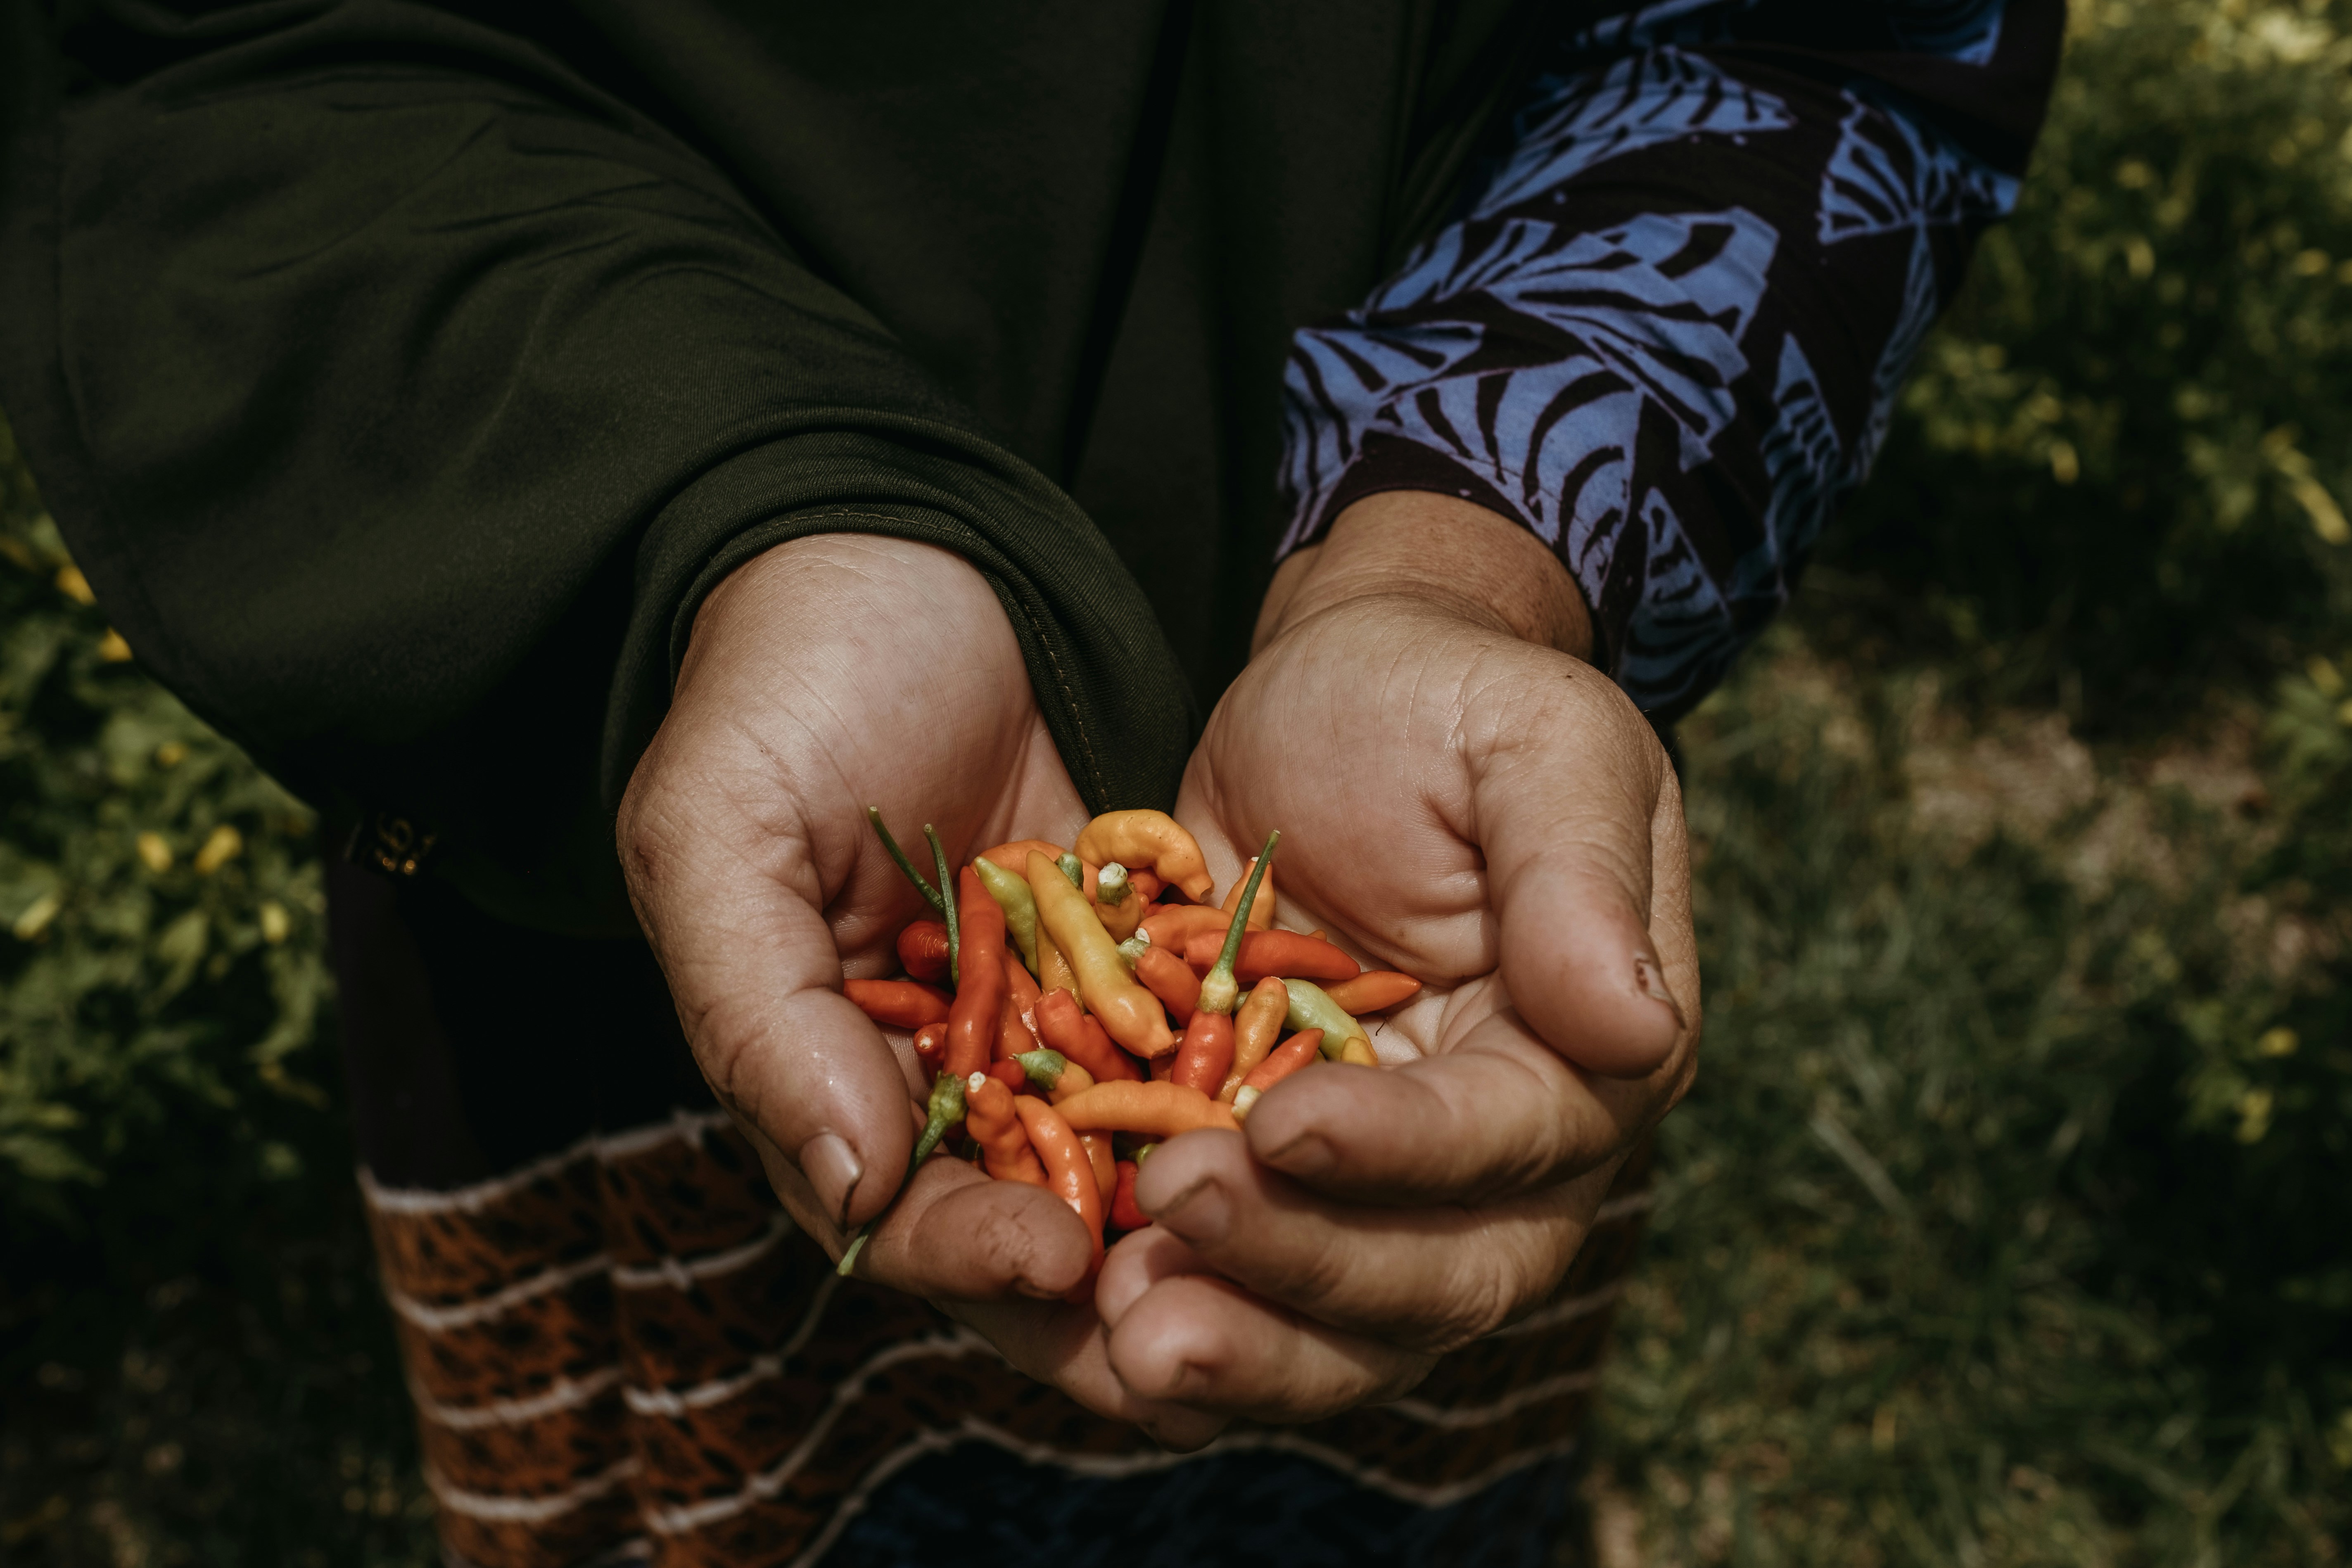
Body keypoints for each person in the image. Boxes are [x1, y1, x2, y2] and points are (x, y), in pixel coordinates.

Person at [0, 1, 2060, 1562]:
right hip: (620, 748)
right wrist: (709, 520)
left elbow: (1829, 26)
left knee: (1359, 1364)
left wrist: (1464, 553)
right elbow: (206, 65)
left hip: (1409, 862)